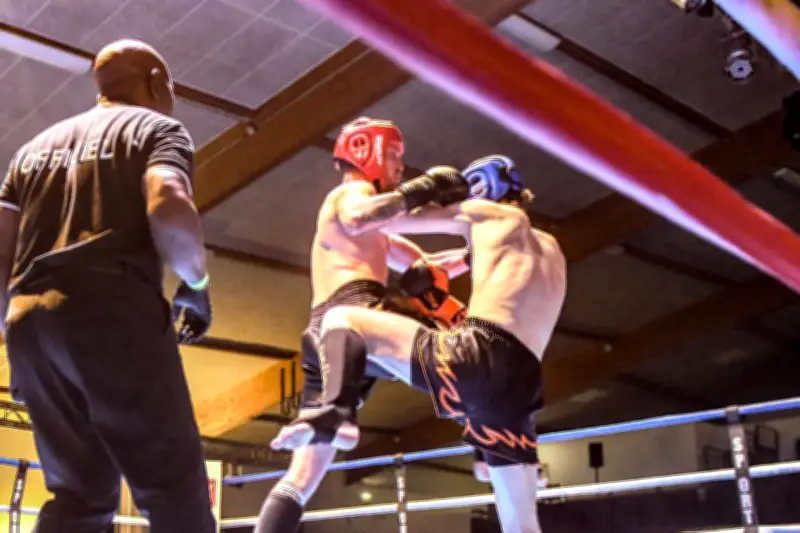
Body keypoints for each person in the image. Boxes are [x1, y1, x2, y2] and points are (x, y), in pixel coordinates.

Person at [274, 155, 567, 533]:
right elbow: (456, 266)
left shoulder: (486, 214)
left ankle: (335, 414)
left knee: (339, 318)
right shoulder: (551, 248)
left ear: (481, 189)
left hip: (477, 354)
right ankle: (482, 453)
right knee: (522, 526)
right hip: (522, 386)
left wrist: (427, 188)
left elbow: (377, 218)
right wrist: (433, 274)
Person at [0, 39, 215, 532]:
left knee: (78, 497)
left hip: (28, 319)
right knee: (173, 488)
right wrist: (196, 282)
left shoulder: (29, 151)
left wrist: (15, 341)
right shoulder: (157, 128)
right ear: (157, 82)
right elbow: (167, 204)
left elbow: (1, 255)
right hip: (112, 309)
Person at [253, 117, 473, 533]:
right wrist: (423, 189)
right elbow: (358, 218)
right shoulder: (350, 194)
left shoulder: (381, 228)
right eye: (392, 156)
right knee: (458, 363)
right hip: (353, 316)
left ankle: (337, 419)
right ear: (363, 150)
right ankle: (484, 431)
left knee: (301, 479)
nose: (399, 168)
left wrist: (471, 257)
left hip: (329, 338)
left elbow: (425, 265)